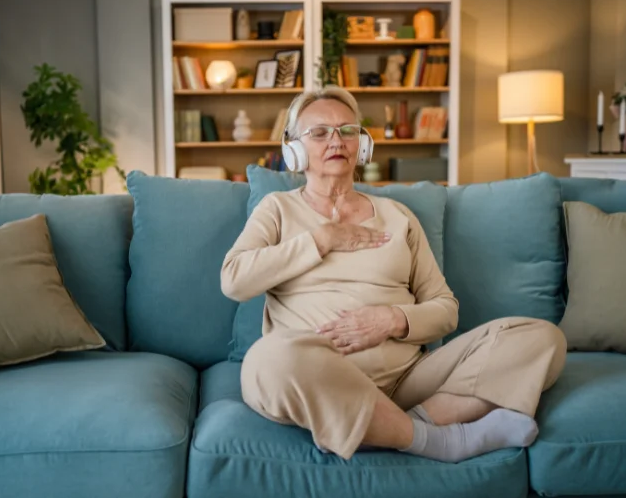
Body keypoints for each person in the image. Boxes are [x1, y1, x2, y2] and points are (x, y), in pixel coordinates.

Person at [220, 86, 566, 462]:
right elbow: (235, 280)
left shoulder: (398, 216)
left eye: (347, 130)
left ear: (362, 146)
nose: (336, 140)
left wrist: (392, 320)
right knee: (266, 360)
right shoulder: (278, 209)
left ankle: (389, 426)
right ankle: (439, 440)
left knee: (542, 338)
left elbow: (445, 309)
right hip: (318, 378)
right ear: (294, 151)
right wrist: (322, 239)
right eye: (319, 132)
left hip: (408, 380)